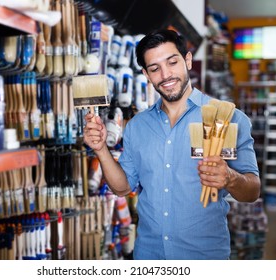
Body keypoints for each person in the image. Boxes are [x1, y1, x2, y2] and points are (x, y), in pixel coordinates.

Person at [83, 29, 261, 260]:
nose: (166, 74)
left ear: (187, 60)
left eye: (172, 62)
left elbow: (252, 191)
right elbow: (122, 187)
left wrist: (230, 177)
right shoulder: (137, 126)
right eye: (155, 68)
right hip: (149, 257)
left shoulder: (227, 117)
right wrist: (100, 149)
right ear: (146, 75)